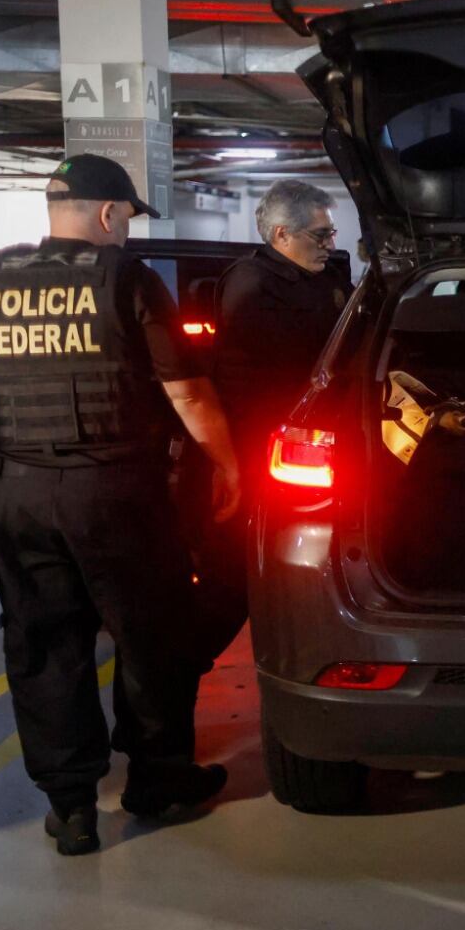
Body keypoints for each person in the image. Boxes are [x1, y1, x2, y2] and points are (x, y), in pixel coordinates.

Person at [0, 154, 241, 856]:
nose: (127, 229)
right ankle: (158, 782)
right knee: (150, 637)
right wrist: (226, 464)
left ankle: (70, 807)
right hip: (116, 496)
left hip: (15, 495)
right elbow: (186, 393)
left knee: (43, 646)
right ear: (107, 213)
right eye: (126, 215)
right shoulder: (125, 279)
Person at [199, 179, 353, 661]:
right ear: (282, 235)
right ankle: (187, 665)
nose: (330, 245)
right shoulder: (252, 284)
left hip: (314, 447)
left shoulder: (321, 276)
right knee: (241, 581)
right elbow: (267, 379)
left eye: (330, 234)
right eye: (320, 235)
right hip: (263, 450)